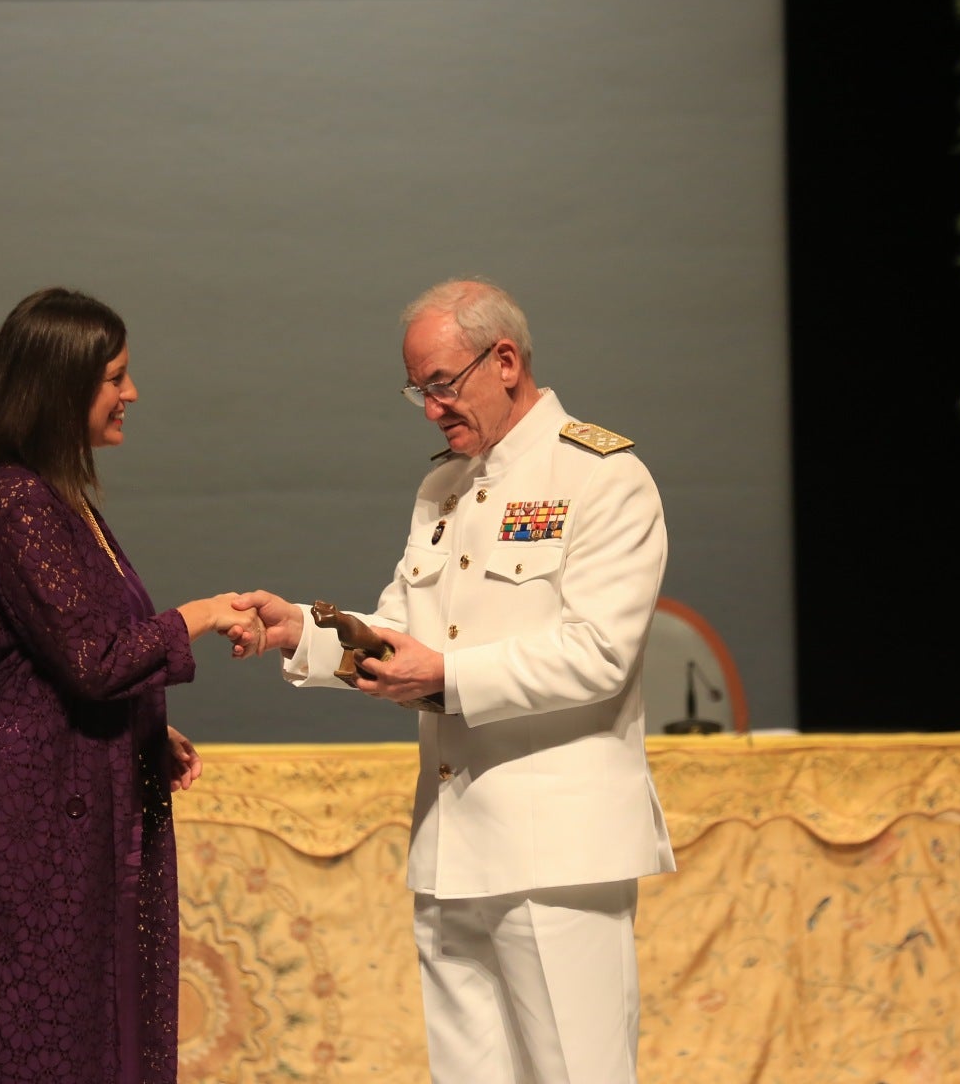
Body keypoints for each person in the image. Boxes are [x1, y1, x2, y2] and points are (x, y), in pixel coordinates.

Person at [230, 277, 674, 1084]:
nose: (432, 409)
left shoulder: (602, 477)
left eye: (444, 385)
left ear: (505, 360)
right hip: (452, 846)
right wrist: (303, 631)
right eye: (418, 392)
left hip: (556, 853)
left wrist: (449, 674)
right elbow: (404, 638)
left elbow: (599, 653)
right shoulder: (442, 490)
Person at [0, 286, 253, 1084]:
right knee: (29, 1042)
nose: (131, 394)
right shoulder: (17, 503)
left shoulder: (59, 502)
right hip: (23, 835)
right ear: (60, 389)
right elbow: (94, 658)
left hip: (59, 815)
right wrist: (199, 614)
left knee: (79, 1033)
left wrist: (143, 732)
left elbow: (49, 667)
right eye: (115, 378)